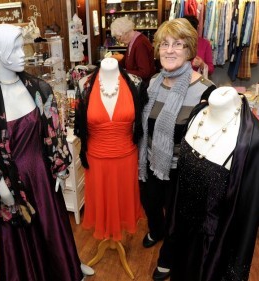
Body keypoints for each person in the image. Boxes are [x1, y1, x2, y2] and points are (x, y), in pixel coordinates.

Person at [0, 24, 91, 281]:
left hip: (43, 175)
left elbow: (53, 131)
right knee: (24, 236)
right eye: (15, 48)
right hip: (12, 183)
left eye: (22, 46)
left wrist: (60, 165)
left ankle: (69, 266)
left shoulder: (39, 88)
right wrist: (1, 187)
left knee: (54, 228)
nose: (24, 53)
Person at [137, 18, 216, 280]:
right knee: (149, 203)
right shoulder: (153, 83)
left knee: (176, 219)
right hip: (150, 161)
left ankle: (167, 257)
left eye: (178, 44)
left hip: (181, 171)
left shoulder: (205, 92)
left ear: (189, 49)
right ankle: (155, 230)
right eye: (164, 45)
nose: (170, 51)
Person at [169, 86, 259, 280]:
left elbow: (249, 212)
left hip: (212, 246)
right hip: (182, 230)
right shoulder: (197, 114)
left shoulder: (251, 139)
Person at [75, 57, 146, 241]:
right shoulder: (83, 85)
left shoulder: (136, 83)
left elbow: (140, 125)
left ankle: (116, 236)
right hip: (96, 158)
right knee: (101, 202)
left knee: (122, 201)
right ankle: (107, 235)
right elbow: (79, 125)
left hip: (126, 157)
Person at [110, 16, 156, 86]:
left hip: (143, 87)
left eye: (119, 38)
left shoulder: (140, 43)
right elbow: (125, 62)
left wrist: (123, 72)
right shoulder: (132, 41)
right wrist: (112, 65)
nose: (120, 41)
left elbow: (144, 72)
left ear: (124, 33)